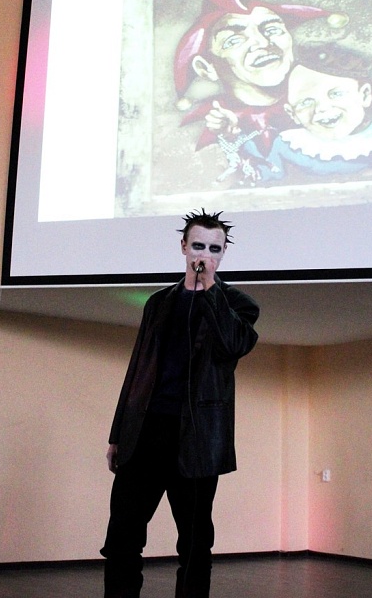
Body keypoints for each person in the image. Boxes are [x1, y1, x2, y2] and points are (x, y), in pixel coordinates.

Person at [101, 210, 260, 598]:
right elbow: (138, 367)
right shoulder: (159, 302)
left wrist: (211, 291)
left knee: (194, 541)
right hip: (147, 431)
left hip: (198, 438)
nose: (204, 255)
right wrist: (118, 433)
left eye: (214, 249)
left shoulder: (238, 305)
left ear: (223, 254)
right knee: (122, 535)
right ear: (184, 247)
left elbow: (233, 344)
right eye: (198, 246)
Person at [173, 0, 339, 183]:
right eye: (234, 40)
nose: (262, 43)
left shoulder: (332, 98)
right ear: (207, 68)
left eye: (272, 29)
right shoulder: (213, 126)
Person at [261, 43, 372, 181]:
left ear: (364, 95)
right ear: (292, 113)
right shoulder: (287, 146)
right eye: (306, 102)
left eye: (336, 94)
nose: (321, 108)